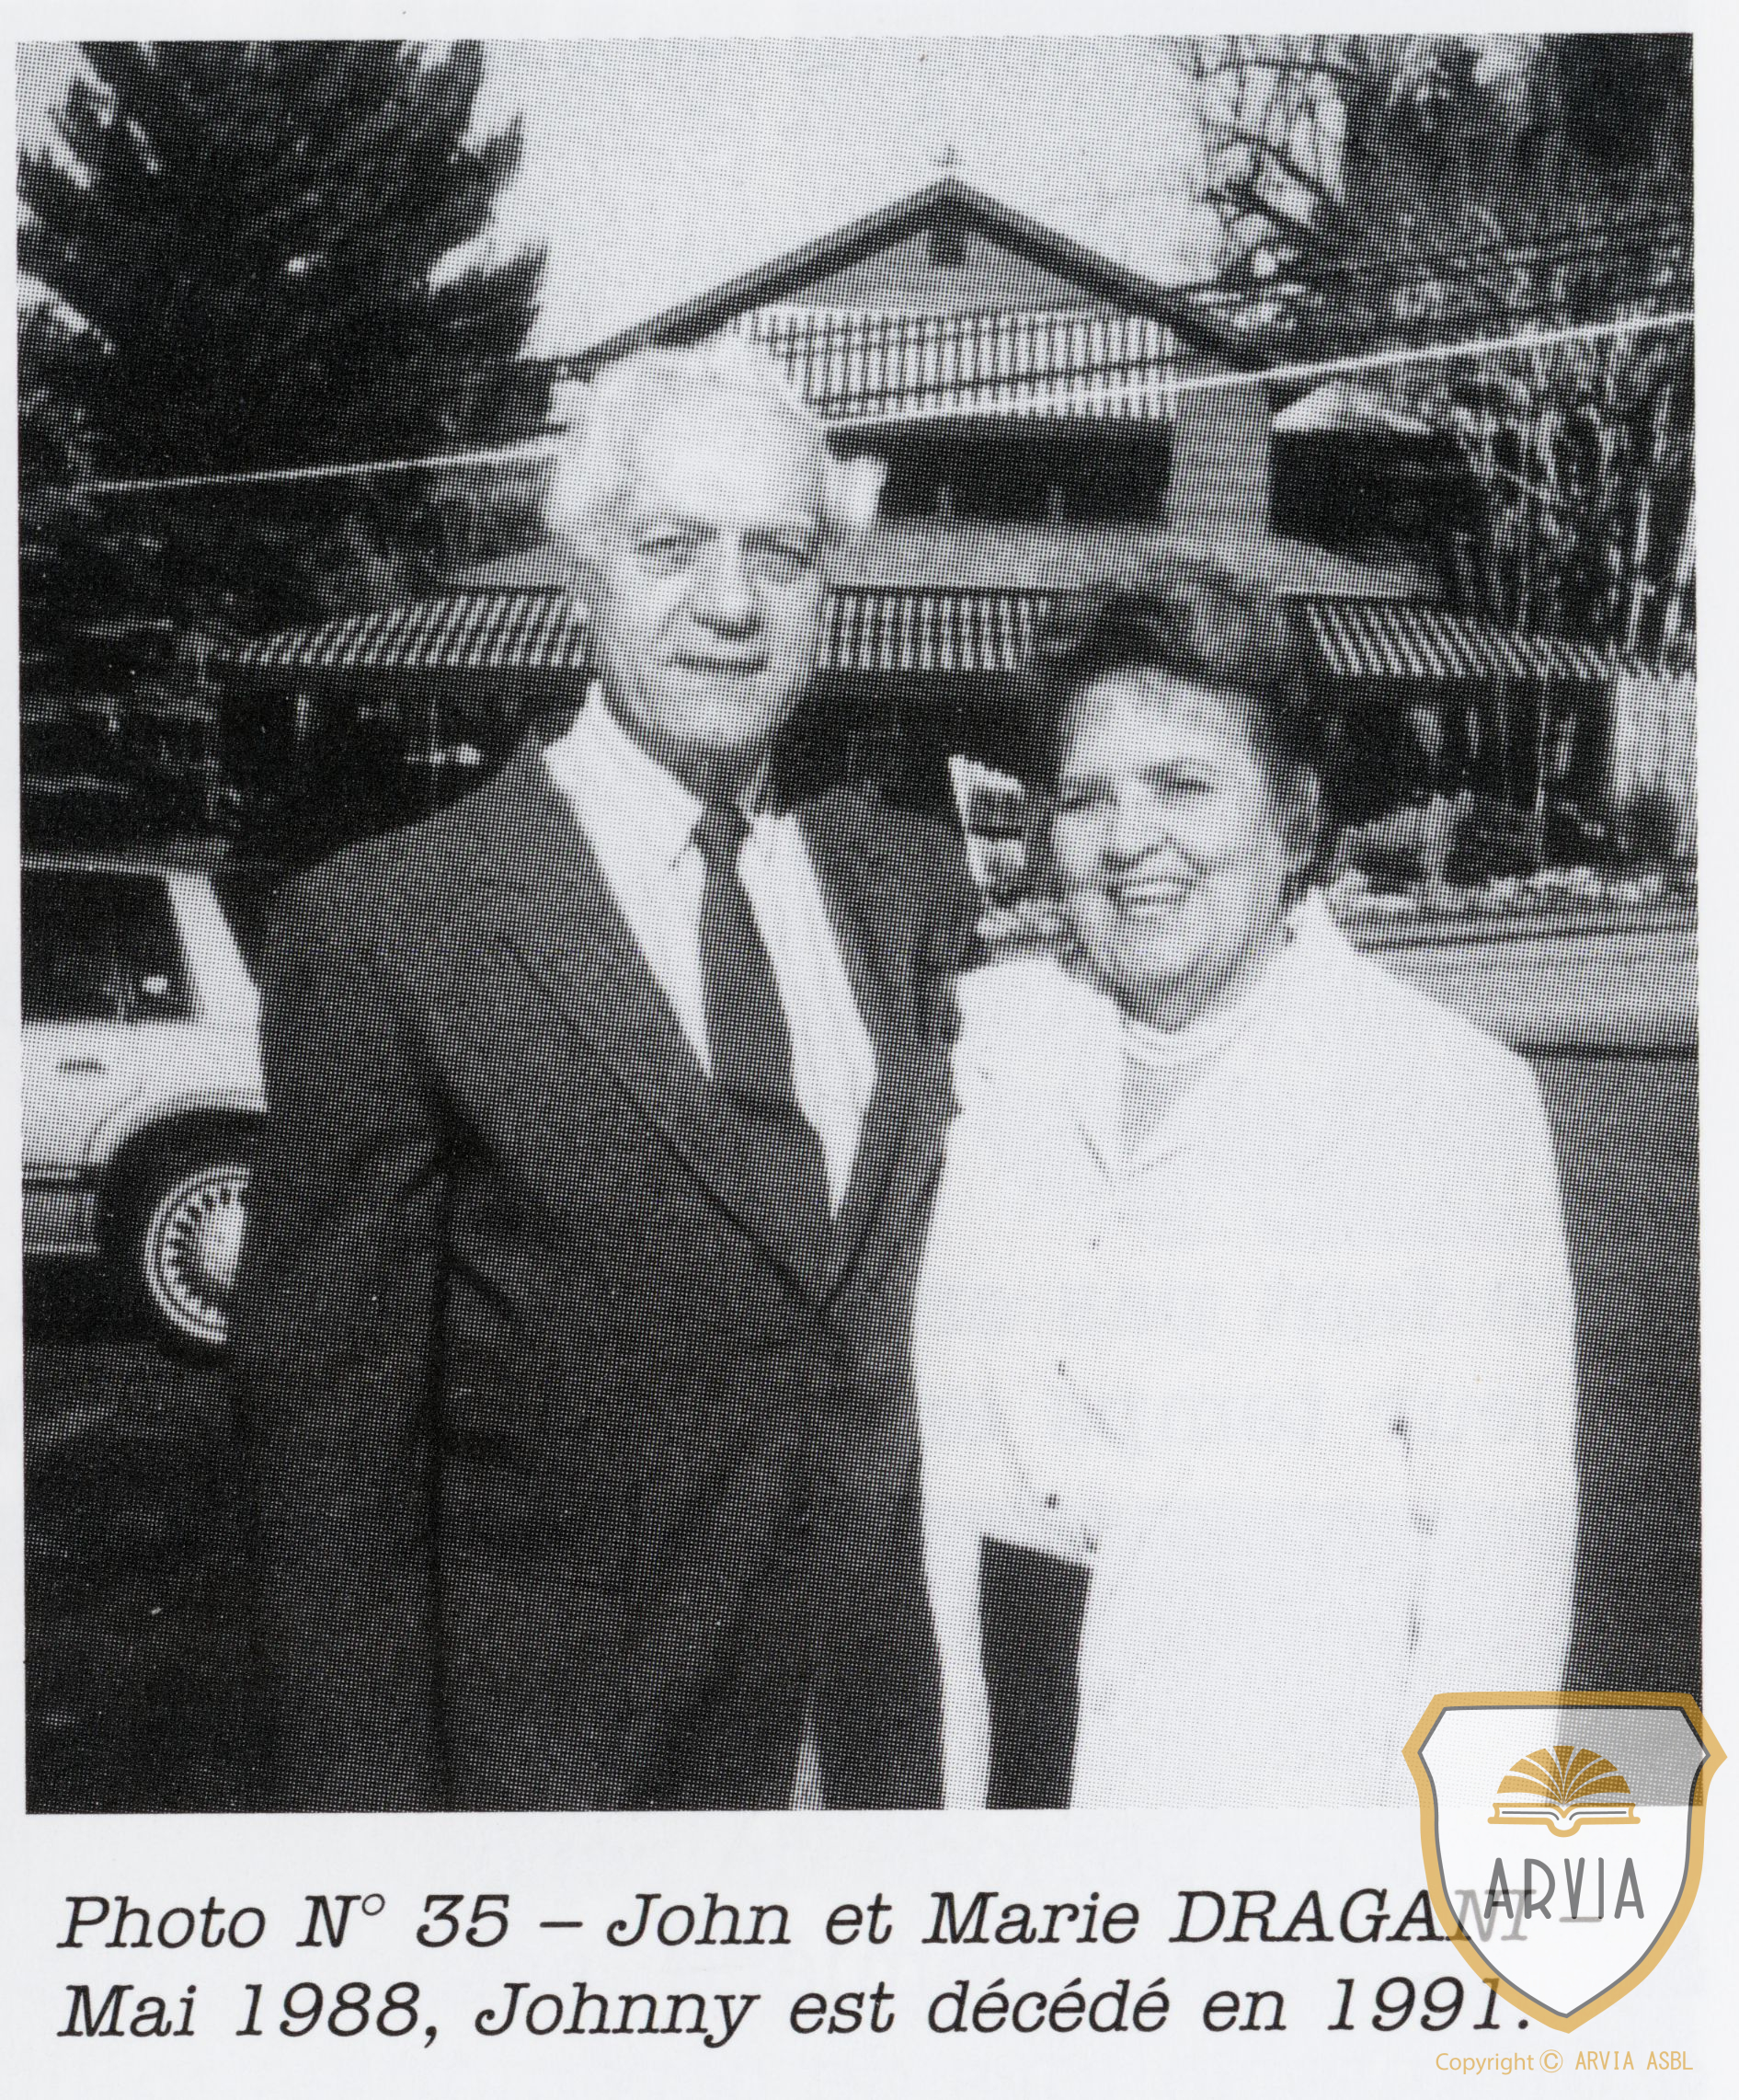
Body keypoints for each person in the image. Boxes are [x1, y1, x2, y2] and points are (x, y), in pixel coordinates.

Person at [233, 338, 977, 1811]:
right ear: (580, 575)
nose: (731, 603)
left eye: (780, 553)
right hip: (569, 1810)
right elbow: (327, 1498)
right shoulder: (391, 932)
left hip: (881, 1789)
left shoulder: (904, 892)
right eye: (672, 547)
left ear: (828, 592)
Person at [915, 556, 1580, 1810]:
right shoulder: (986, 1055)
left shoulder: (1445, 1101)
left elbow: (1499, 1579)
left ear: (1294, 814)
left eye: (1184, 786)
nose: (1131, 839)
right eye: (1086, 796)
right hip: (992, 1809)